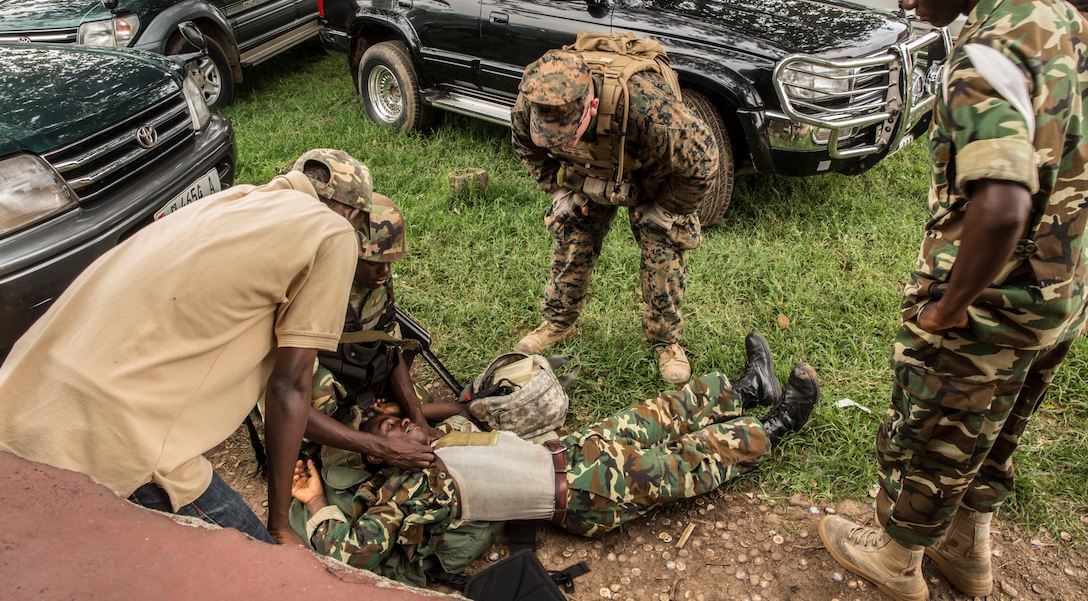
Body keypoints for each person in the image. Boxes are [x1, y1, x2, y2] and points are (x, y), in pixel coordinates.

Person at [819, 0, 1088, 601]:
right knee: (997, 426)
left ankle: (898, 559)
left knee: (933, 429)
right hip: (1061, 290)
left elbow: (1000, 205)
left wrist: (950, 306)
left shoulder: (985, 55)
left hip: (992, 299)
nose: (907, 2)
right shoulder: (1055, 15)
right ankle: (969, 552)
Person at [0, 148, 372, 545]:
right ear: (352, 212)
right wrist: (279, 524)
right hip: (116, 433)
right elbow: (290, 388)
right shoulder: (331, 232)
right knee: (262, 569)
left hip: (21, 395)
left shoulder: (228, 201)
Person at [290, 333, 819, 583]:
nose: (405, 424)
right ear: (383, 457)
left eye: (400, 419)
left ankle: (748, 390)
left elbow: (442, 411)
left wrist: (410, 418)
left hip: (567, 453)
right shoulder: (400, 495)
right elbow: (349, 552)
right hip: (582, 494)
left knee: (655, 414)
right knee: (684, 462)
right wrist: (315, 500)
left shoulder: (432, 438)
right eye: (392, 431)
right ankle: (778, 424)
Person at [510, 44, 719, 384]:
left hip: (651, 176)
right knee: (572, 237)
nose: (559, 144)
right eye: (553, 138)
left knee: (662, 252)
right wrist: (559, 190)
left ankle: (666, 341)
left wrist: (666, 210)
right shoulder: (533, 102)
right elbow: (526, 147)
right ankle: (558, 322)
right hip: (588, 173)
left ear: (592, 107)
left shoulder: (648, 107)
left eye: (565, 135)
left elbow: (704, 160)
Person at [304, 192, 469, 478]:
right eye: (374, 262)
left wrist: (417, 417)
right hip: (317, 396)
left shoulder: (377, 279)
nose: (385, 272)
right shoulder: (310, 293)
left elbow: (389, 349)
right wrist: (382, 448)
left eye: (391, 262)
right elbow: (289, 403)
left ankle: (380, 417)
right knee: (320, 395)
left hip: (357, 381)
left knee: (413, 400)